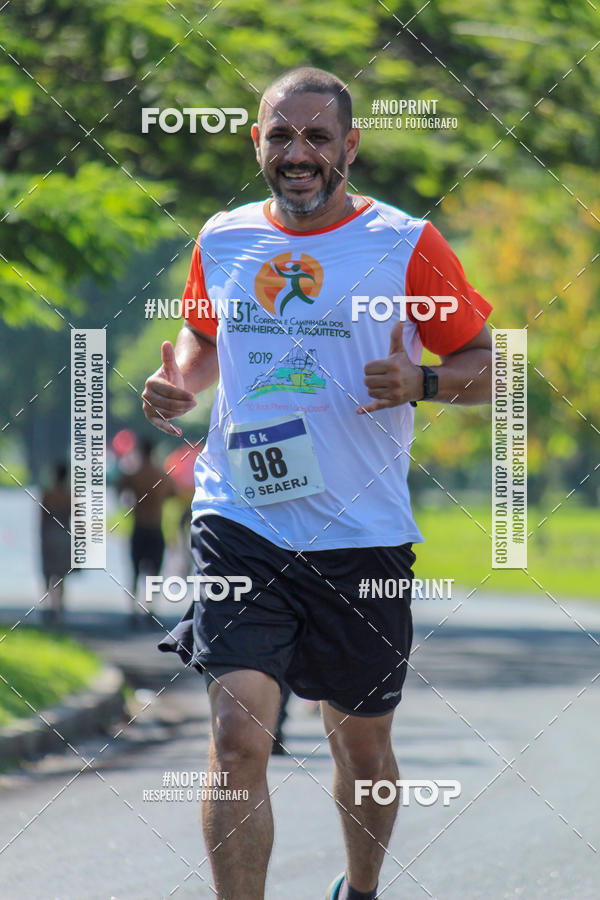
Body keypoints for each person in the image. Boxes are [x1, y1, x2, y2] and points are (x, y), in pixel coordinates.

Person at [143, 67, 493, 900]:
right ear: (255, 142)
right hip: (242, 520)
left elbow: (493, 367)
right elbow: (202, 342)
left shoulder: (405, 244)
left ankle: (362, 890)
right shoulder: (223, 238)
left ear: (350, 146)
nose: (298, 153)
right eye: (280, 136)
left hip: (360, 536)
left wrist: (427, 385)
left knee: (361, 745)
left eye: (316, 137)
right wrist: (181, 384)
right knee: (237, 737)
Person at [118, 438, 176, 628]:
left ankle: (133, 609)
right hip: (155, 527)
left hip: (139, 526)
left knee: (135, 570)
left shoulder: (133, 475)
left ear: (140, 452)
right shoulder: (162, 475)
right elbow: (173, 494)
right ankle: (150, 608)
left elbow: (119, 490)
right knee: (154, 572)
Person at [40, 461, 71, 624]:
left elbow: (42, 518)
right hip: (64, 534)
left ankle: (48, 604)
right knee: (61, 573)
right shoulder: (70, 494)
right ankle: (59, 604)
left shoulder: (48, 493)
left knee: (48, 571)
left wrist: (41, 537)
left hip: (50, 534)